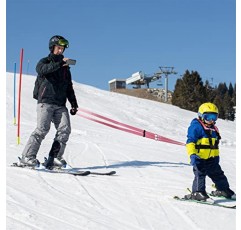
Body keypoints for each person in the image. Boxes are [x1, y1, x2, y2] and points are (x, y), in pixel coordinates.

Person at [20, 35, 78, 168]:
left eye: (62, 49)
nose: (61, 51)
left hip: (60, 104)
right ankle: (27, 157)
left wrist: (74, 104)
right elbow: (41, 70)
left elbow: (69, 87)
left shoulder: (65, 68)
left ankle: (54, 158)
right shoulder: (45, 61)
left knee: (65, 130)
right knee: (42, 130)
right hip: (45, 102)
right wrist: (59, 63)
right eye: (58, 48)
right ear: (52, 48)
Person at [184, 102, 235, 201]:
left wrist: (216, 157)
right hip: (199, 158)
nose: (211, 120)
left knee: (218, 174)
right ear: (201, 116)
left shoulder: (214, 129)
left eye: (214, 117)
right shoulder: (196, 127)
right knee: (200, 174)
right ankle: (198, 192)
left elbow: (214, 144)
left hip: (212, 159)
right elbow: (190, 142)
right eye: (208, 117)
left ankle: (223, 189)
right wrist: (192, 155)